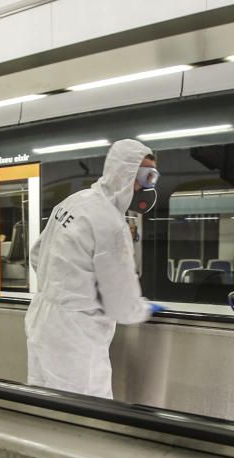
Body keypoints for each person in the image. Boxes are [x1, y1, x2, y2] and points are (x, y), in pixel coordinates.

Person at [25, 139, 163, 398]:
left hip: (42, 321)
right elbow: (121, 304)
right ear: (124, 172)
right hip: (76, 337)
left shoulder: (74, 201)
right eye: (145, 176)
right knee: (82, 414)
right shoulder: (111, 223)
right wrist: (142, 308)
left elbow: (36, 254)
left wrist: (62, 286)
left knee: (42, 404)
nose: (147, 186)